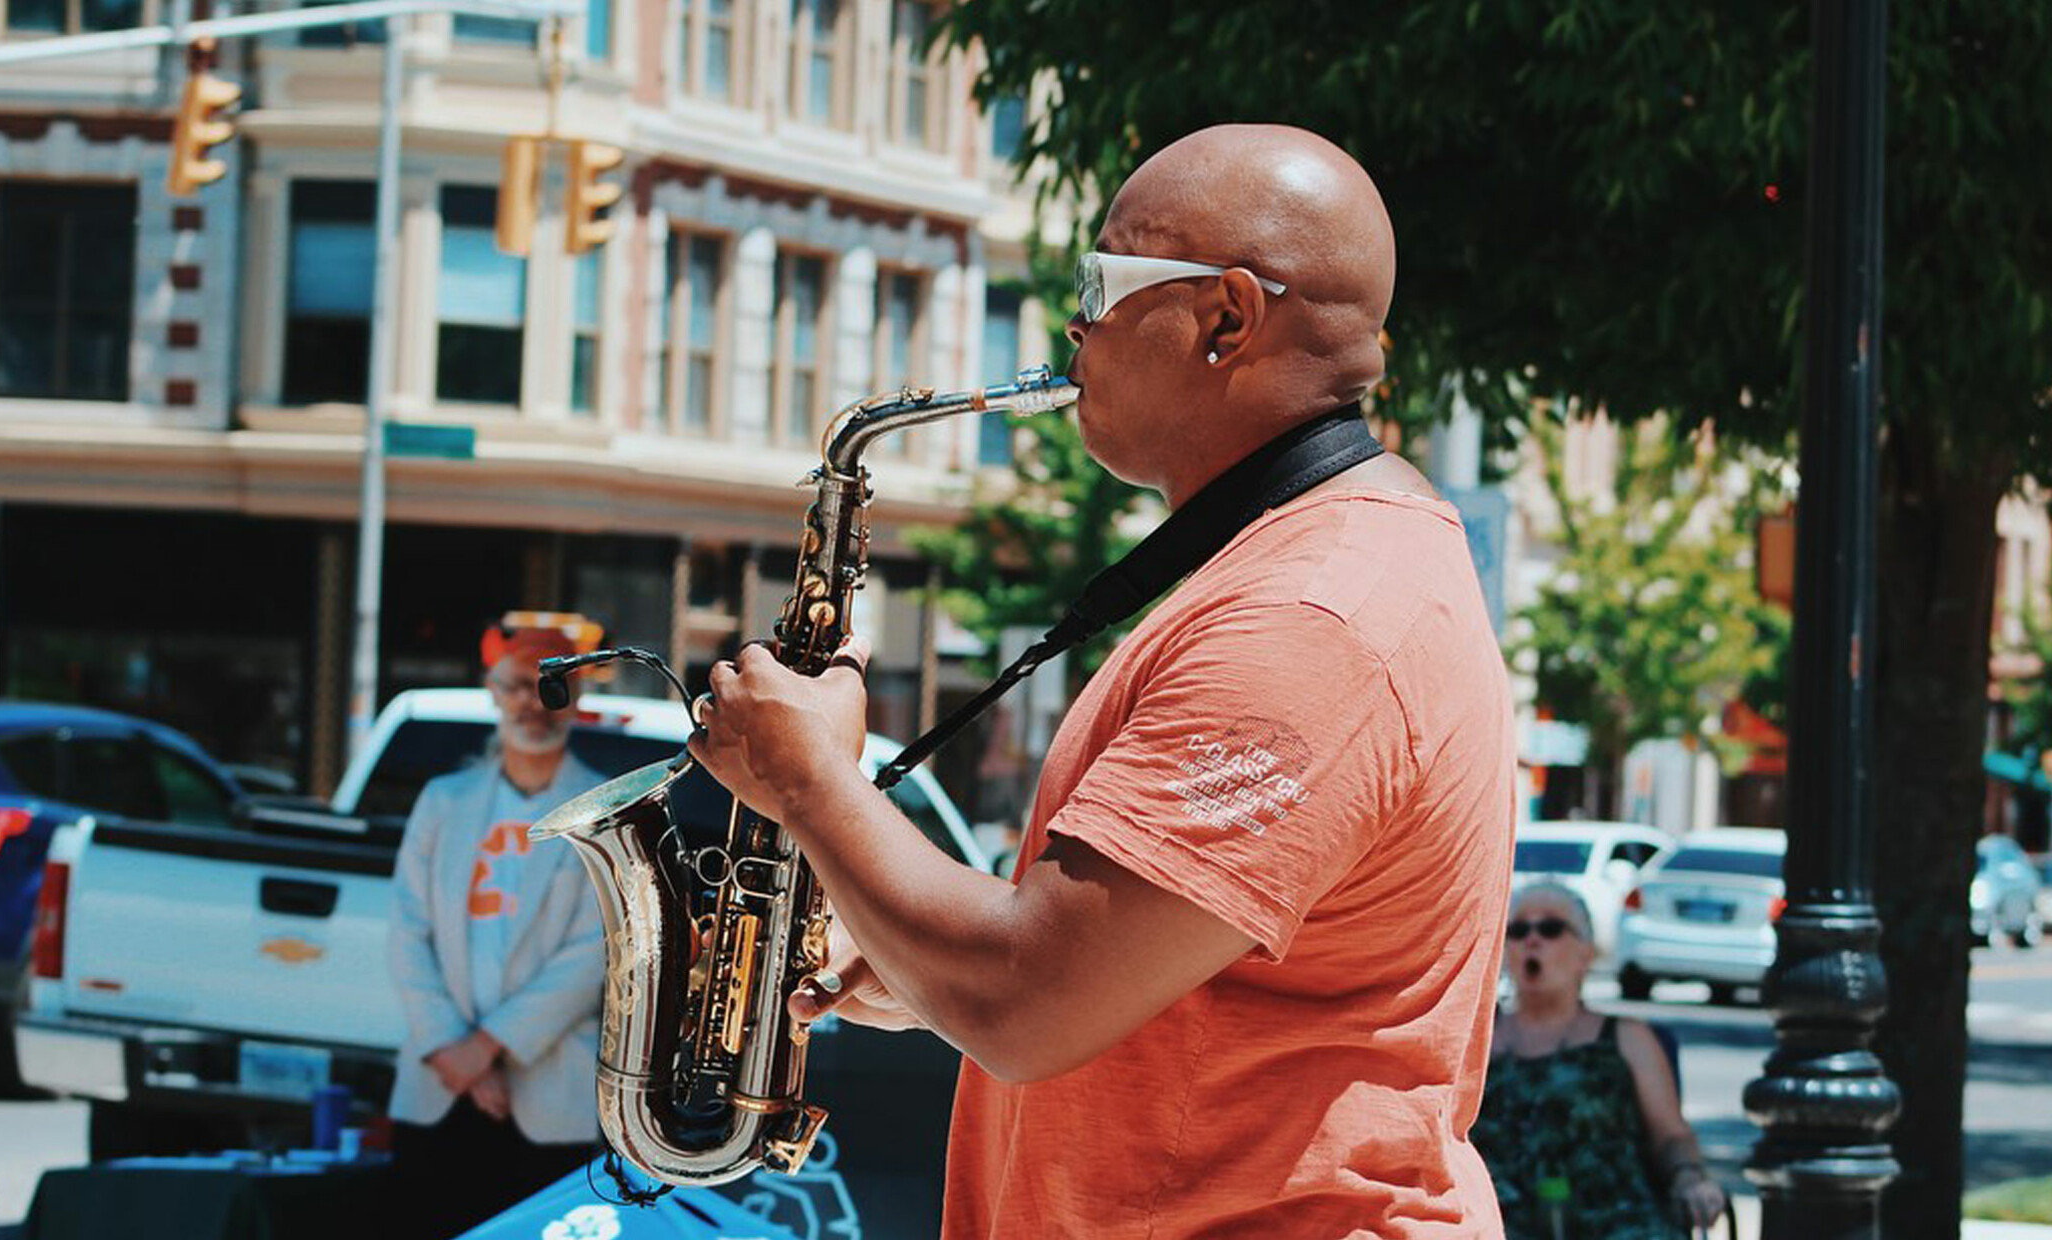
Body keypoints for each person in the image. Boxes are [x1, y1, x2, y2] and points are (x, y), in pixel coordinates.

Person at [687, 123, 1516, 1237]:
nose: (1073, 324)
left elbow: (1028, 1002)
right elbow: (1127, 977)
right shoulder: (1315, 570)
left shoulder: (1309, 616)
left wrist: (807, 780)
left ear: (1227, 315)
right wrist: (927, 963)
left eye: (1102, 280)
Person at [384, 613, 611, 1239]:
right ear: (492, 690)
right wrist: (456, 1053)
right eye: (515, 685)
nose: (530, 703)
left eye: (548, 687)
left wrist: (483, 1050)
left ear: (576, 700)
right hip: (439, 1084)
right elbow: (406, 932)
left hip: (547, 1096)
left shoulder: (599, 812)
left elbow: (590, 955)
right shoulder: (443, 800)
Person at [1474, 881, 1728, 1238]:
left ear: (1586, 954)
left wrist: (1690, 1177)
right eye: (1518, 930)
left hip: (1615, 1220)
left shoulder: (1626, 1037)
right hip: (1501, 1221)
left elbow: (1671, 1136)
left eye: (1551, 928)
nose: (1532, 940)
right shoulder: (1477, 1040)